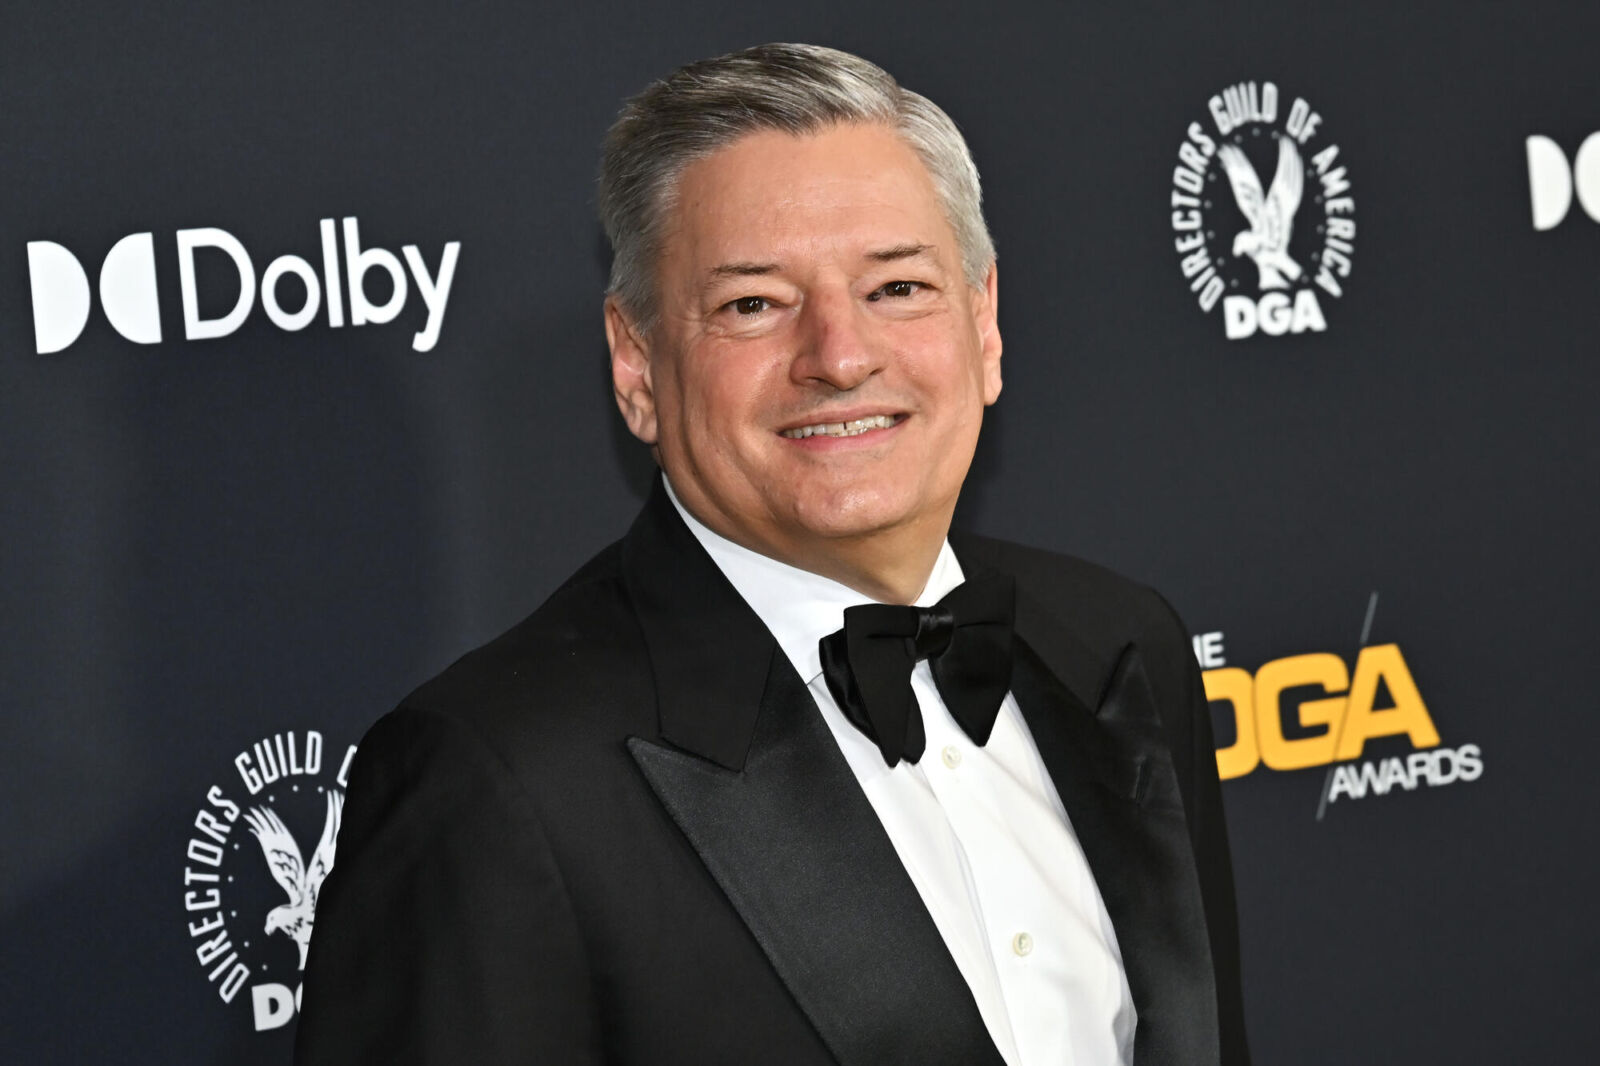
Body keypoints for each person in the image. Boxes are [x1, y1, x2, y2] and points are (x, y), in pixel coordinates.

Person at [296, 42, 1249, 1066]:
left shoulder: (1121, 642)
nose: (839, 355)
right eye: (753, 304)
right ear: (637, 366)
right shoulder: (496, 785)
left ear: (984, 325)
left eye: (897, 287)